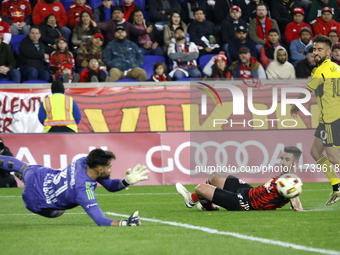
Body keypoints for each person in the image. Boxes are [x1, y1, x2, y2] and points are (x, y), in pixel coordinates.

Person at [0, 148, 149, 226]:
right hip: (34, 201)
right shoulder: (84, 192)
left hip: (39, 176)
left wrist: (126, 181)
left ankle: (22, 174)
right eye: (109, 167)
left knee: (22, 167)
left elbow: (109, 185)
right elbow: (100, 220)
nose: (111, 169)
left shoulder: (82, 161)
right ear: (99, 169)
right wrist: (125, 223)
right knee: (60, 211)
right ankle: (25, 180)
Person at [291, 35, 340, 206]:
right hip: (328, 118)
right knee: (315, 152)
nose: (316, 53)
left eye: (320, 50)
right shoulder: (336, 68)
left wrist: (295, 105)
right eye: (314, 50)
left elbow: (306, 91)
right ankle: (336, 186)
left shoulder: (320, 71)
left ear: (328, 52)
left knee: (334, 158)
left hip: (331, 119)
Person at [175, 146, 304, 211]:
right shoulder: (284, 176)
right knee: (215, 176)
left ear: (295, 162)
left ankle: (207, 207)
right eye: (282, 158)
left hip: (245, 204)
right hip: (248, 192)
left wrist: (298, 207)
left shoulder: (291, 181)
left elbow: (294, 196)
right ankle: (194, 201)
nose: (282, 162)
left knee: (200, 188)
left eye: (287, 160)